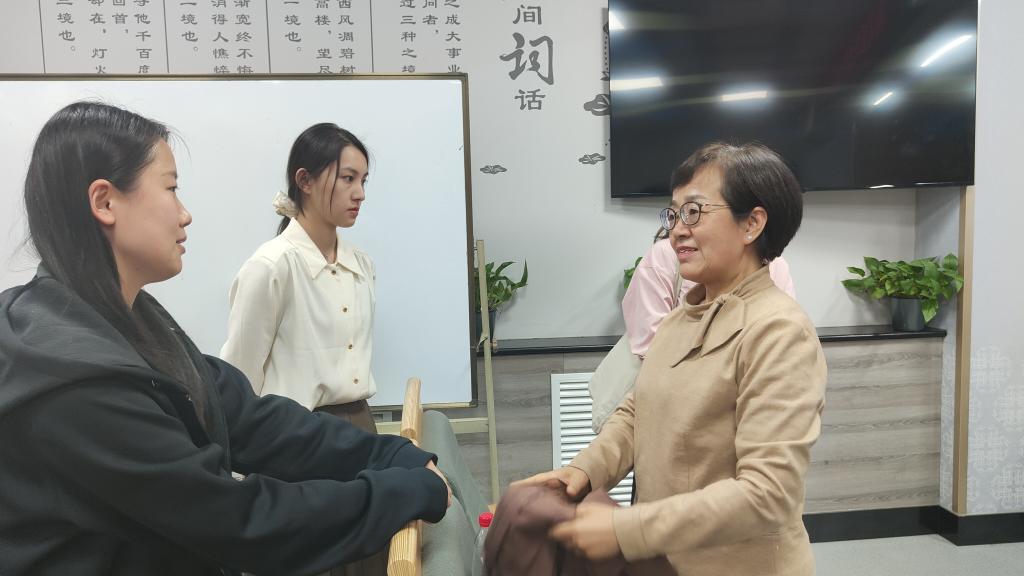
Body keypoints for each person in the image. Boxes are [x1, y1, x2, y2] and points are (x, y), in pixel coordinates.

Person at [0, 102, 451, 576]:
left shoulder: (130, 320)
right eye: (171, 188)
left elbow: (249, 417)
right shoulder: (75, 377)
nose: (185, 214)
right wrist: (405, 490)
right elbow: (238, 521)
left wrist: (392, 455)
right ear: (105, 202)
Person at [520, 142, 827, 576]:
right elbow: (637, 411)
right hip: (664, 561)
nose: (677, 230)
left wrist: (626, 529)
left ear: (752, 224)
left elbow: (768, 493)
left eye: (695, 212)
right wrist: (584, 471)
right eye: (674, 214)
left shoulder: (779, 331)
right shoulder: (681, 318)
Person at [221, 123, 378, 428]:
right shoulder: (271, 266)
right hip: (296, 431)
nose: (360, 194)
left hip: (361, 423)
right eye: (348, 179)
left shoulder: (362, 265)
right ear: (305, 180)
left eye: (363, 181)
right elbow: (239, 375)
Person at [623, 236, 795, 358]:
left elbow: (781, 347)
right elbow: (651, 349)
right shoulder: (666, 256)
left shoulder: (776, 266)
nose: (679, 229)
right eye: (676, 214)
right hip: (669, 391)